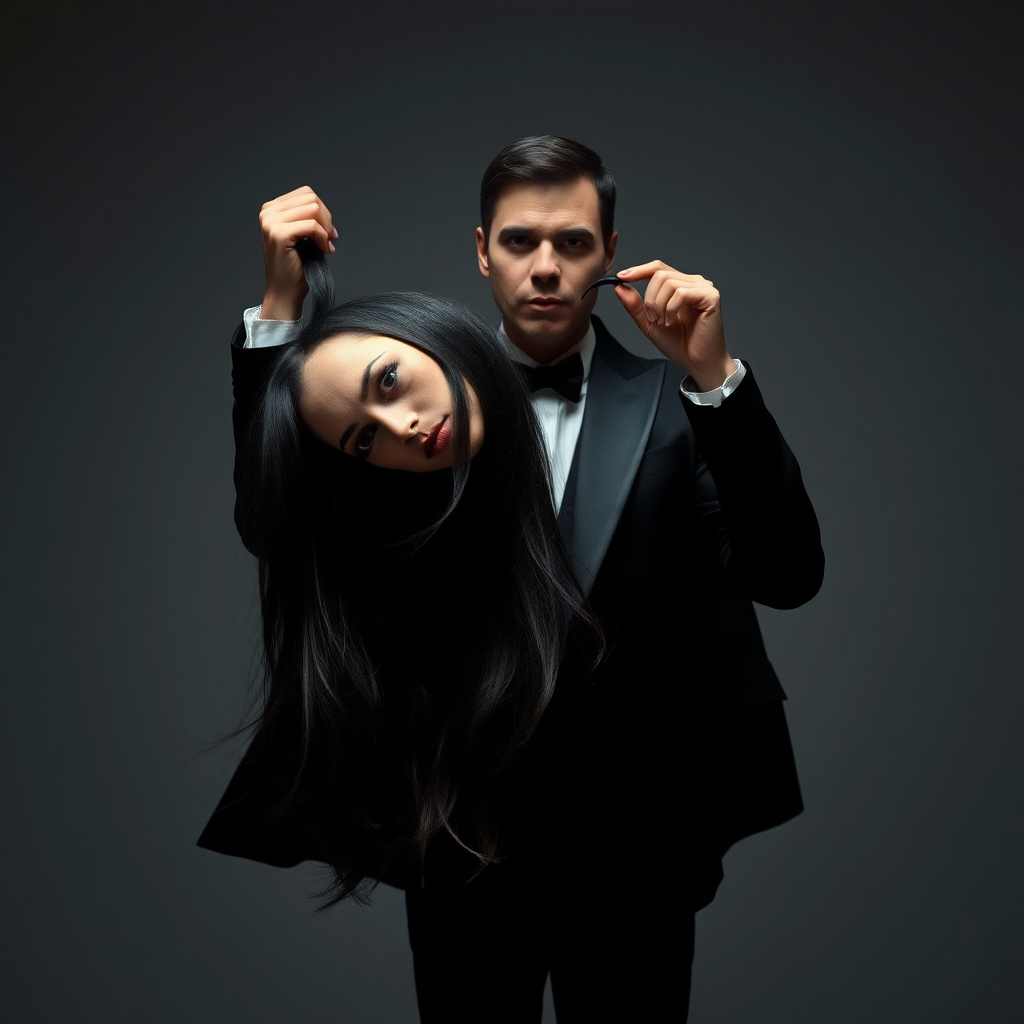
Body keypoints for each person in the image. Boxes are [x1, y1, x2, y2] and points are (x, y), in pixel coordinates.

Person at [202, 131, 825, 1022]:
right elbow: (276, 524)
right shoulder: (407, 403)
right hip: (462, 835)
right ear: (481, 251)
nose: (545, 268)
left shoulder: (676, 405)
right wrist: (276, 315)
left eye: (572, 244)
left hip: (639, 839)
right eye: (520, 242)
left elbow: (788, 573)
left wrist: (715, 378)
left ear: (610, 256)